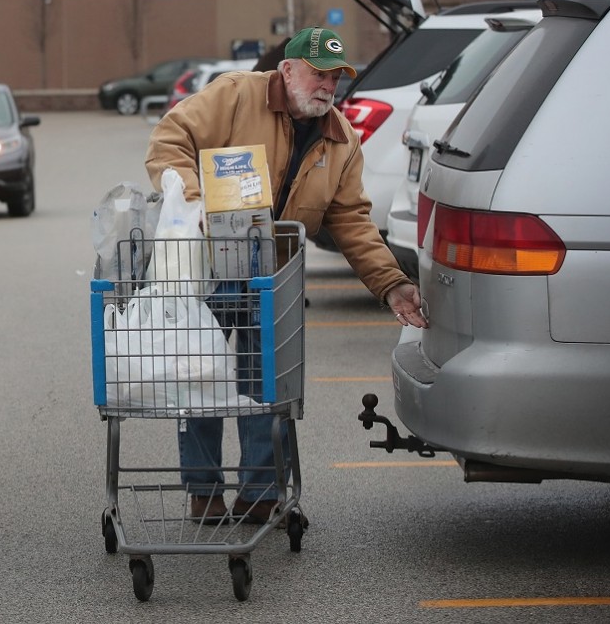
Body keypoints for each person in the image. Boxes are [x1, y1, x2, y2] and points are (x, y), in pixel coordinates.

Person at [145, 26, 424, 524]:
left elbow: (351, 219)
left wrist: (391, 282)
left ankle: (260, 494)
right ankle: (202, 491)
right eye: (318, 73)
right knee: (199, 378)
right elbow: (170, 140)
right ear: (288, 69)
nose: (328, 85)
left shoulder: (341, 137)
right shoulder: (235, 94)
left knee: (263, 386)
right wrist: (196, 204)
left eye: (336, 76)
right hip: (209, 270)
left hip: (273, 277)